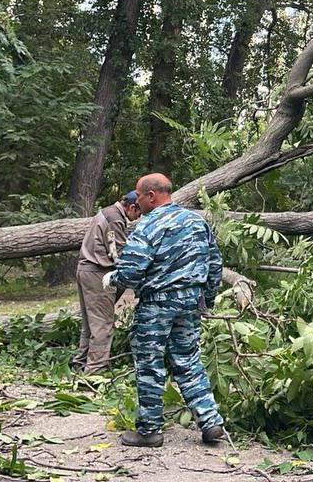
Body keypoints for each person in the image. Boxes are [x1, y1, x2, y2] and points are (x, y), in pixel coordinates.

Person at [103, 173, 226, 447]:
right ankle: (210, 421)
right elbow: (215, 265)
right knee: (189, 361)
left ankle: (149, 431)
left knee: (150, 365)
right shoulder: (198, 222)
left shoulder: (148, 226)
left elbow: (132, 271)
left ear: (151, 195)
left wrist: (113, 279)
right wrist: (207, 300)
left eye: (138, 196)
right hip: (190, 303)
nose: (136, 202)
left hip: (157, 304)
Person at [73, 190, 142, 374]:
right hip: (98, 272)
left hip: (86, 269)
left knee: (90, 324)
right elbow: (119, 254)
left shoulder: (108, 212)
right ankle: (95, 371)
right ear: (132, 206)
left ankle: (80, 364)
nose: (137, 218)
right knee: (103, 324)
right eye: (139, 213)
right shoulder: (115, 219)